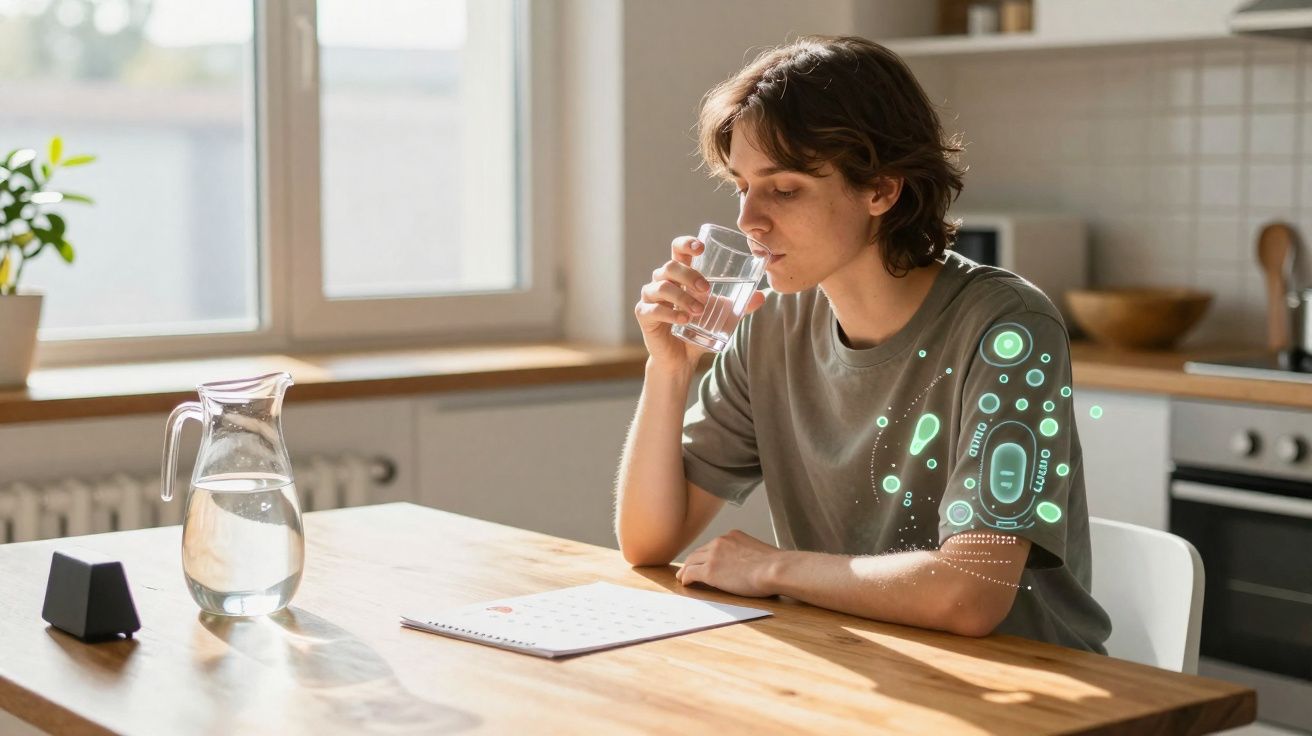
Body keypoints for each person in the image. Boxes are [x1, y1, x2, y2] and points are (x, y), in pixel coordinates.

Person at [613, 35, 1111, 653]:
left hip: (1025, 680)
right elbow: (647, 541)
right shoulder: (771, 325)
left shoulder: (1007, 327)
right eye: (741, 186)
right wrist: (668, 369)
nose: (748, 220)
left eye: (784, 189)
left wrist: (774, 568)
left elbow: (972, 592)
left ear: (881, 189)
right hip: (868, 659)